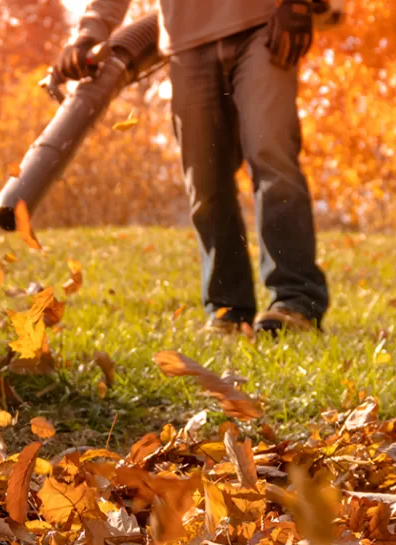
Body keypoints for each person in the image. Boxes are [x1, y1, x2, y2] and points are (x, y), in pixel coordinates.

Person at [55, 0, 329, 336]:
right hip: (186, 43)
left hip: (263, 24)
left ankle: (296, 301)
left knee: (271, 155)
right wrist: (88, 34)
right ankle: (228, 311)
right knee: (205, 182)